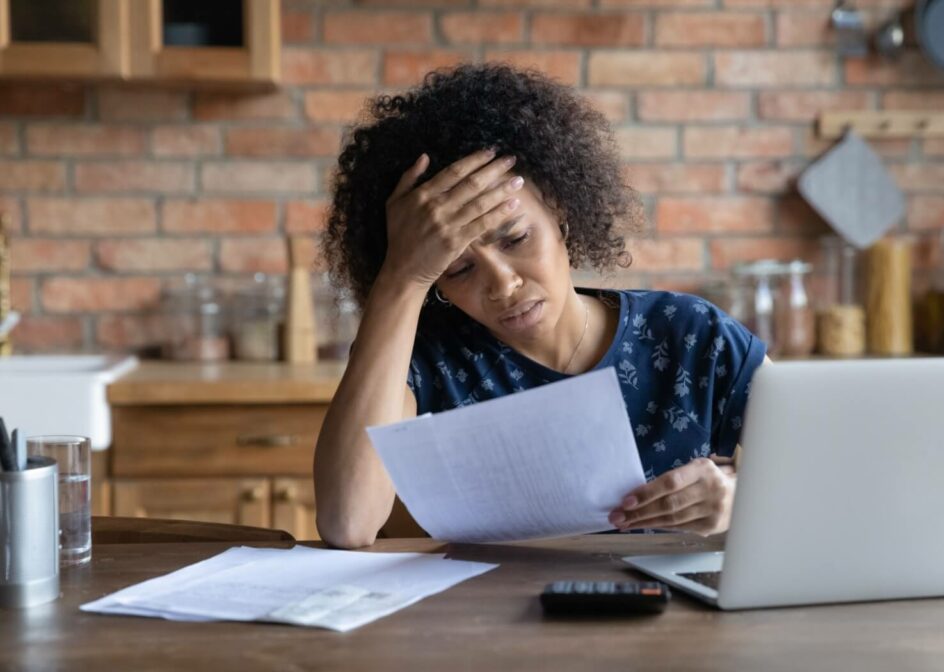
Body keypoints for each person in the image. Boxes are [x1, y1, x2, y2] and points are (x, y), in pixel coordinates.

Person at [315, 63, 768, 549]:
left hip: (673, 619)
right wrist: (402, 277)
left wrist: (738, 497)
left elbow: (832, 476)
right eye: (458, 269)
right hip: (488, 620)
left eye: (514, 238)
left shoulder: (692, 337)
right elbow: (348, 522)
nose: (503, 284)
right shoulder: (425, 361)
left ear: (560, 215)